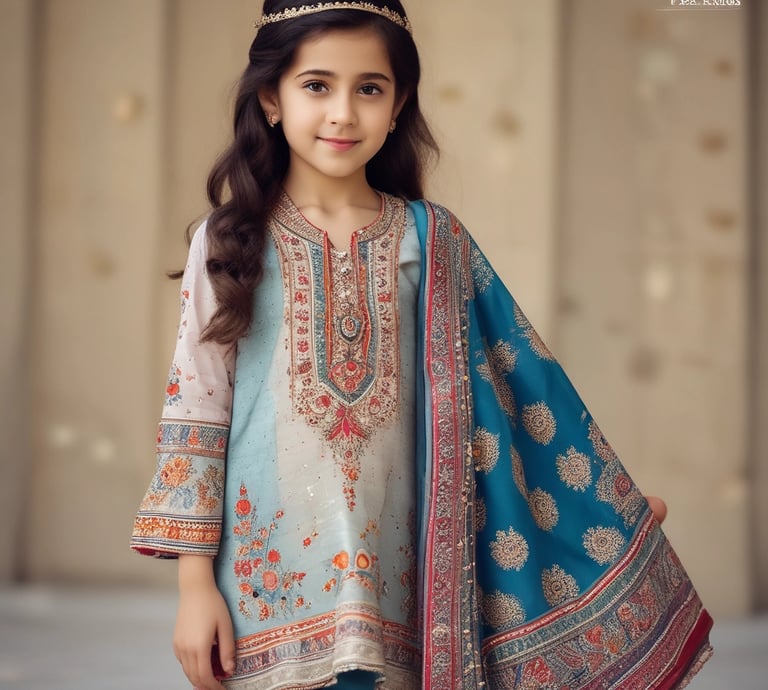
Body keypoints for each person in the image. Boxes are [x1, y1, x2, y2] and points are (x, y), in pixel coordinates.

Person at [131, 2, 712, 689]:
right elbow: (196, 414)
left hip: (407, 590)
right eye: (317, 85)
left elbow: (519, 389)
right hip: (266, 594)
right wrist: (195, 591)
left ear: (399, 103)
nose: (343, 112)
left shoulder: (431, 240)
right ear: (271, 98)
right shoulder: (228, 243)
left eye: (368, 89)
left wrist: (605, 508)